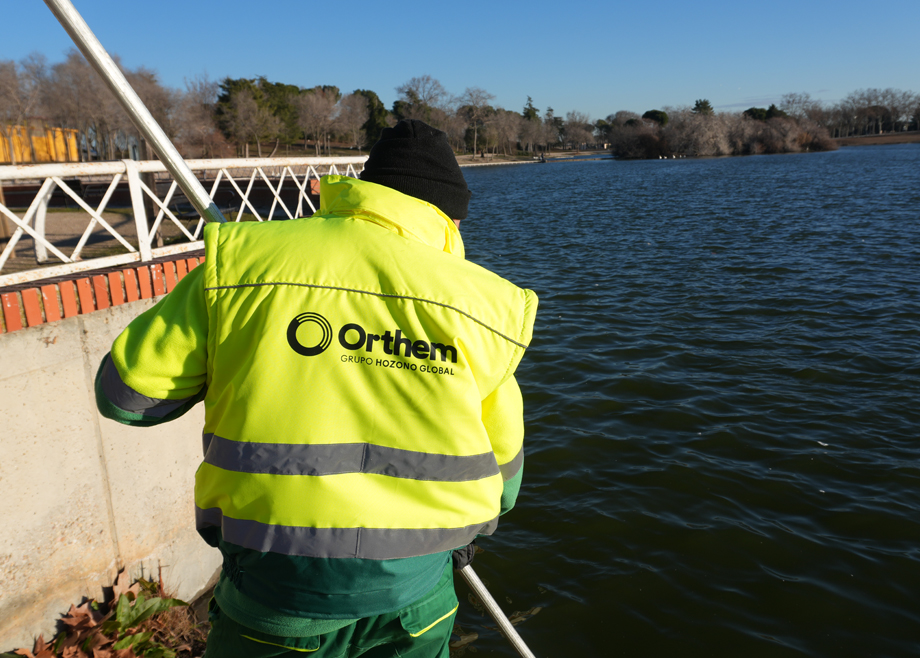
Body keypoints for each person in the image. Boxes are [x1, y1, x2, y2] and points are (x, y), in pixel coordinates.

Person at [95, 119, 538, 657]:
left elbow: (126, 395)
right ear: (453, 217)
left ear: (361, 191)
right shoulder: (486, 306)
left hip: (274, 589)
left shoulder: (243, 261)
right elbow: (504, 477)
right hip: (415, 592)